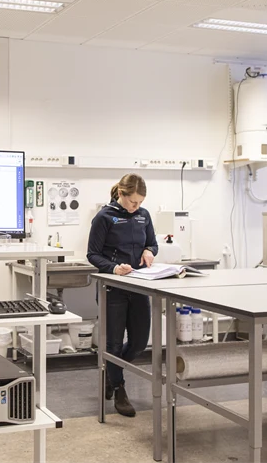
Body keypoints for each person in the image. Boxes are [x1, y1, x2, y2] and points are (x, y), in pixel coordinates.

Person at [87, 173, 157, 417]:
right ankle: (119, 389)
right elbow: (93, 255)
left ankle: (109, 371)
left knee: (139, 342)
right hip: (112, 288)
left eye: (139, 202)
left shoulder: (143, 216)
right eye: (132, 202)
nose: (136, 206)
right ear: (121, 194)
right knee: (114, 343)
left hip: (138, 286)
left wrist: (149, 251)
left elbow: (153, 243)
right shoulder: (104, 217)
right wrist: (114, 268)